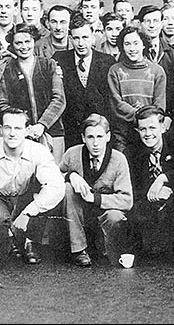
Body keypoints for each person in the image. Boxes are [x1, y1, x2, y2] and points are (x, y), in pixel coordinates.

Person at [0, 107, 66, 264]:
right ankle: (14, 238)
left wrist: (28, 213)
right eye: (8, 128)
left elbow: (56, 186)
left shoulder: (38, 150)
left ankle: (28, 240)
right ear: (1, 129)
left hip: (24, 197)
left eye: (18, 128)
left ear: (26, 131)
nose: (12, 133)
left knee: (48, 199)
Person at [128, 105, 174, 266]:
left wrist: (163, 178)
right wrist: (153, 190)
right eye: (143, 129)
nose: (148, 134)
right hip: (149, 197)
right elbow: (132, 186)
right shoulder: (133, 151)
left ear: (162, 128)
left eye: (152, 128)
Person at [59, 114, 133, 267]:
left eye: (100, 136)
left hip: (104, 213)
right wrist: (70, 175)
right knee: (67, 188)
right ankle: (79, 250)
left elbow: (127, 200)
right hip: (79, 213)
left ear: (108, 136)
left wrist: (95, 198)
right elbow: (53, 178)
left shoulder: (118, 159)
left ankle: (108, 250)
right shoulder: (72, 154)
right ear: (83, 138)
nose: (95, 143)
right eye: (90, 137)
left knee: (115, 216)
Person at [0, 23, 67, 163]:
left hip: (52, 132)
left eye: (27, 41)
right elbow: (2, 103)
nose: (24, 47)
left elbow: (59, 99)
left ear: (34, 41)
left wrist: (42, 125)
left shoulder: (49, 65)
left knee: (53, 174)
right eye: (18, 43)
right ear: (12, 45)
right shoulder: (7, 69)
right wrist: (22, 124)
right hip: (22, 134)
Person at [53, 13, 115, 150]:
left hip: (98, 133)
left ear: (93, 36)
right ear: (70, 38)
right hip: (71, 132)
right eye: (76, 38)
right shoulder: (59, 59)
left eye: (85, 37)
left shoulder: (107, 61)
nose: (81, 43)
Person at [107, 25, 166, 154]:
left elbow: (159, 104)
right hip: (123, 133)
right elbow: (116, 103)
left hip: (148, 131)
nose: (132, 48)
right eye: (127, 44)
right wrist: (139, 117)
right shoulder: (115, 71)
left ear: (143, 45)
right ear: (122, 47)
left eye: (136, 43)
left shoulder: (157, 71)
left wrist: (146, 122)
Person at [139, 5, 174, 78]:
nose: (152, 25)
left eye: (156, 21)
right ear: (140, 24)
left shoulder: (172, 53)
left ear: (161, 24)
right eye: (147, 21)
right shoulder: (134, 51)